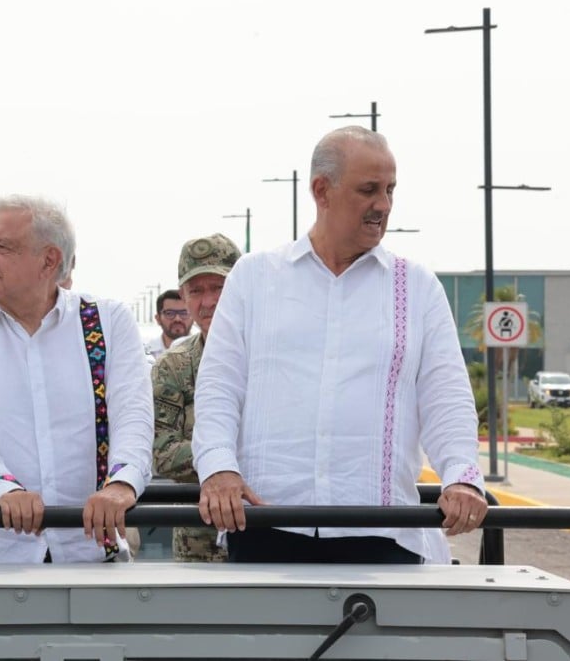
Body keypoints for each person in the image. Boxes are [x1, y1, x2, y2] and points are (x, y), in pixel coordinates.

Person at [192, 126, 487, 565]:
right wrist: (218, 468)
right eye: (369, 190)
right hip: (264, 528)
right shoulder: (255, 279)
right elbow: (219, 388)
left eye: (390, 190)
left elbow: (447, 398)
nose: (383, 205)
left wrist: (462, 478)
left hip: (383, 533)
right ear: (321, 191)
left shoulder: (417, 288)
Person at [0, 194, 154, 563]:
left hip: (88, 554)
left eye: (2, 247)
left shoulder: (107, 321)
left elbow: (133, 416)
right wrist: (4, 489)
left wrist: (121, 484)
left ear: (49, 260)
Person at [152, 233, 241, 562]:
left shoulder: (275, 360)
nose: (209, 301)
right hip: (199, 545)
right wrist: (228, 457)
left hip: (271, 532)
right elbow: (161, 453)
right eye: (196, 291)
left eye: (219, 287)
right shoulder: (173, 367)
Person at [144, 289, 191, 359]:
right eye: (169, 313)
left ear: (193, 317)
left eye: (184, 313)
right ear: (158, 319)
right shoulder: (145, 354)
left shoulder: (206, 350)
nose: (177, 319)